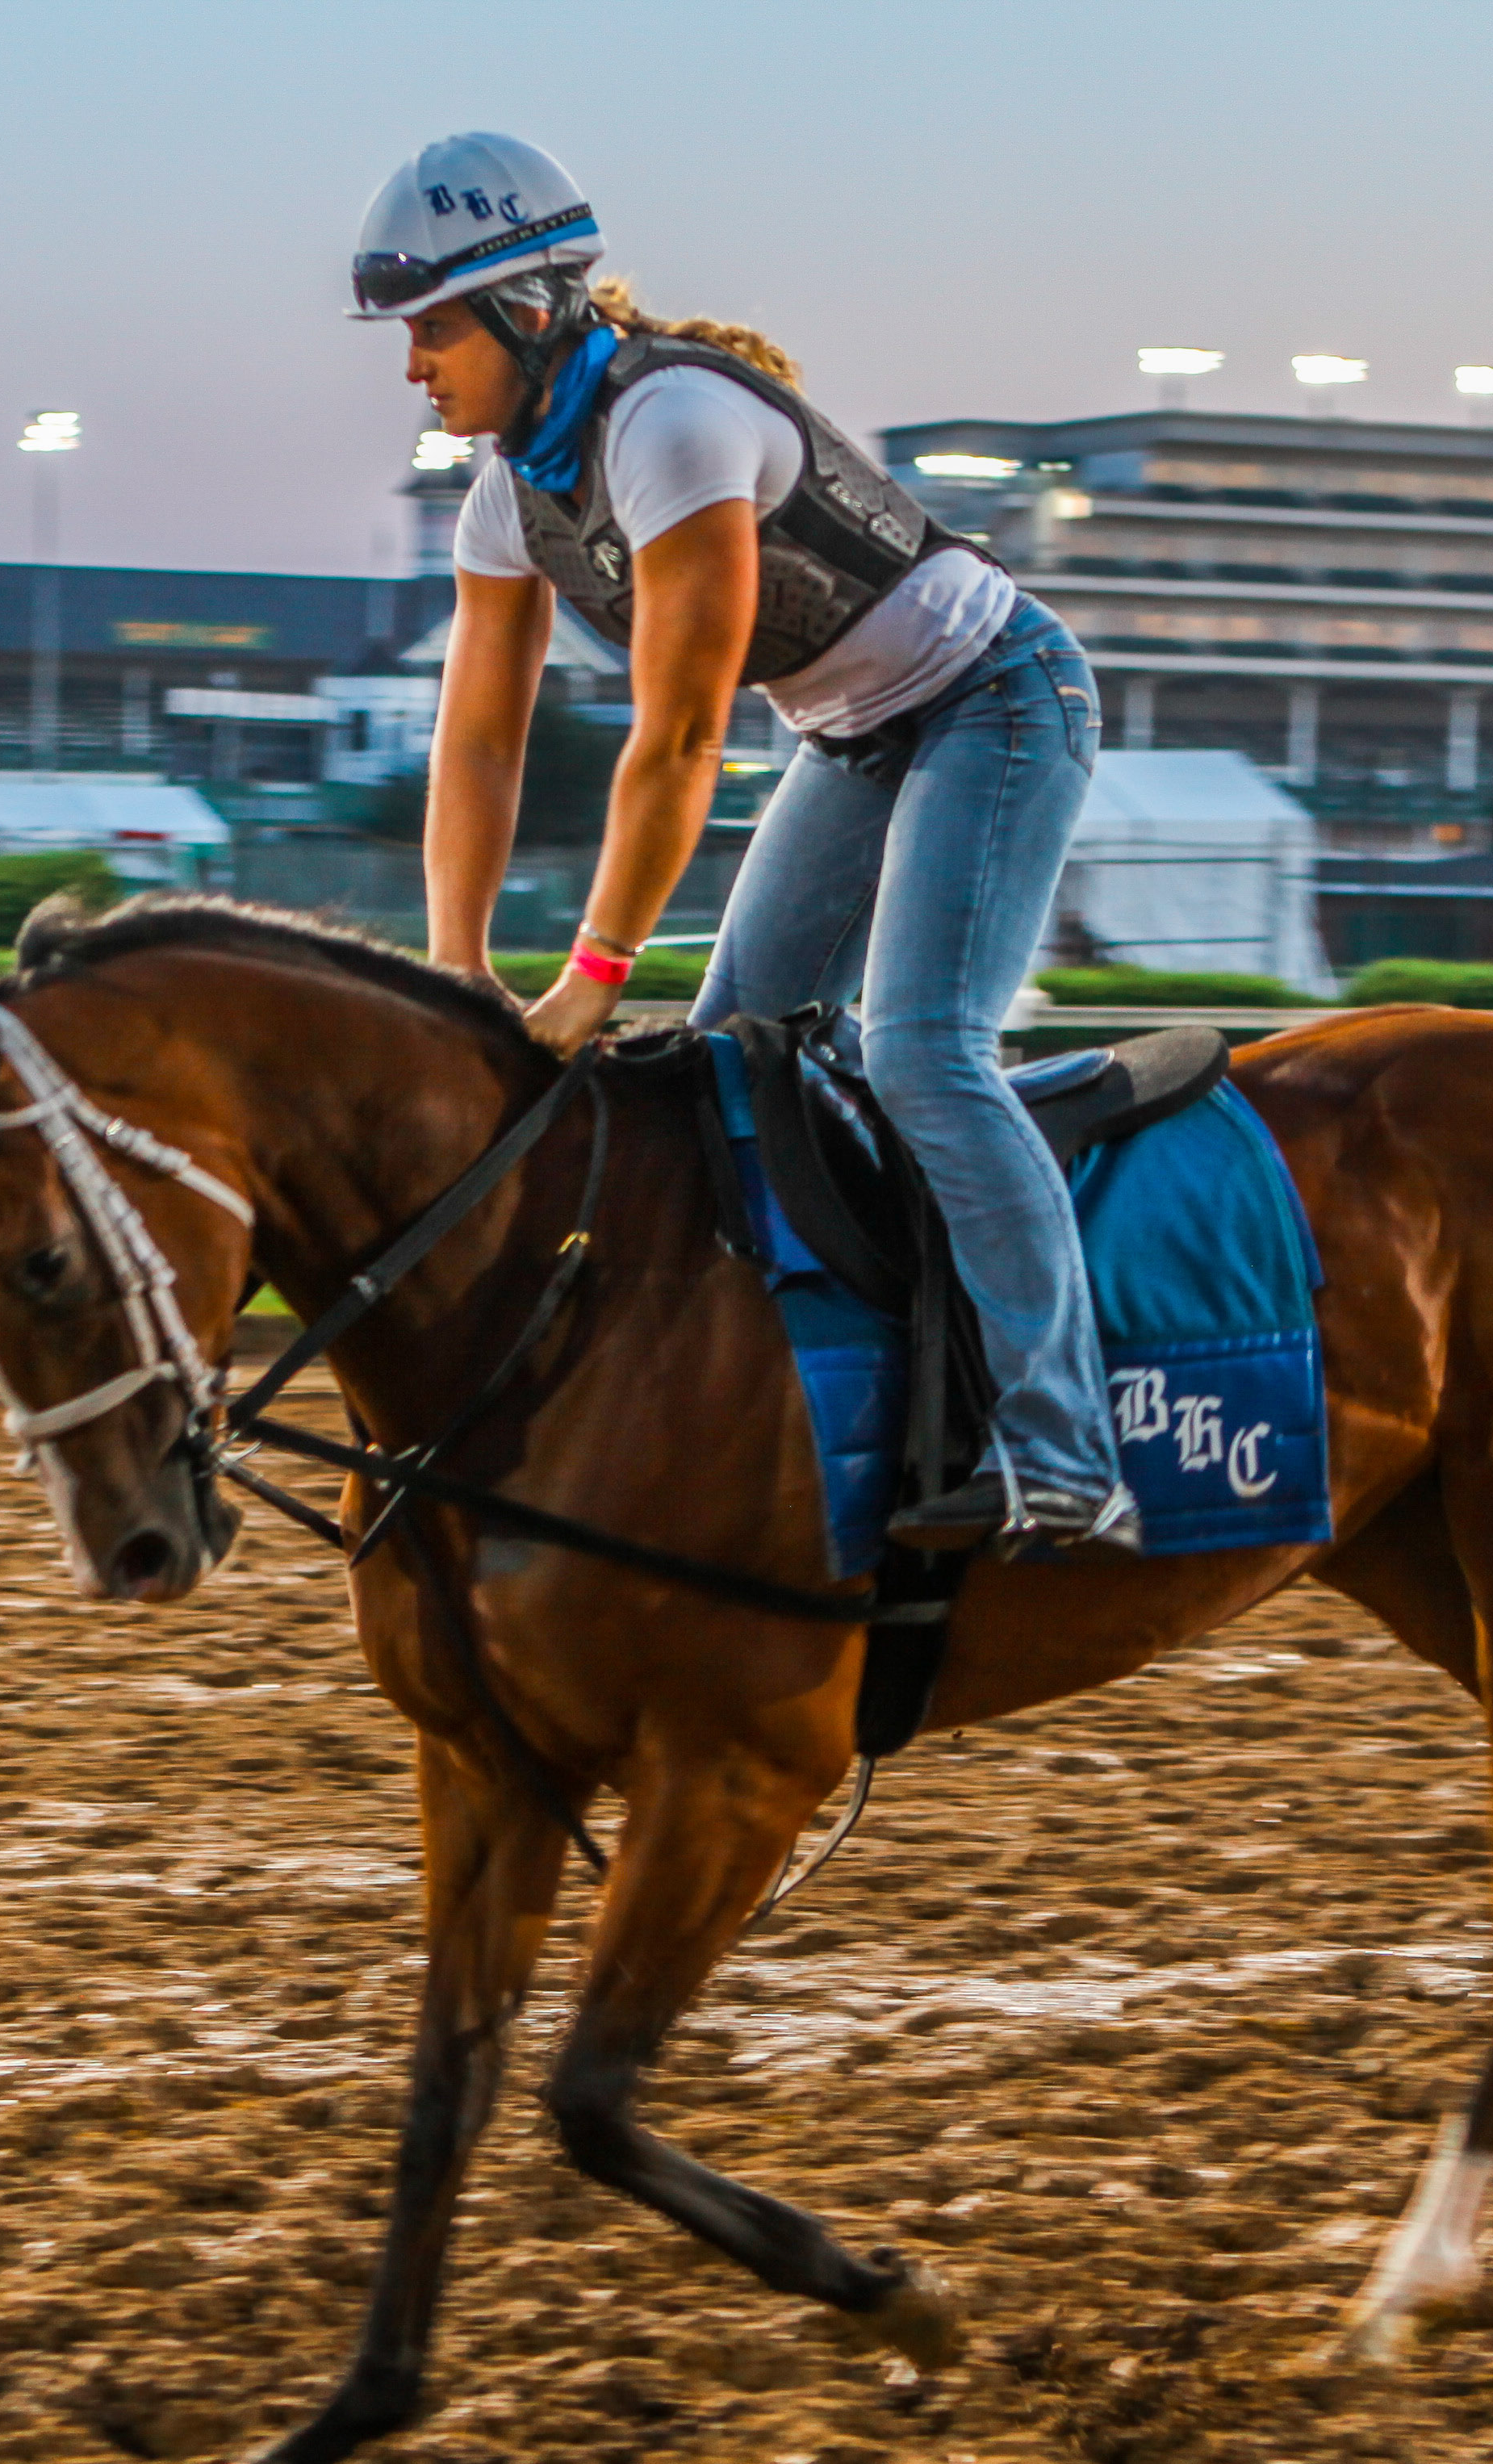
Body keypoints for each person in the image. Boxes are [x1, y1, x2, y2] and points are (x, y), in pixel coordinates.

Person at [355, 132, 1134, 1556]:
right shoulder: (501, 496)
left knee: (923, 1049)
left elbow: (678, 738)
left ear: (531, 309)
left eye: (434, 329)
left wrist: (595, 969)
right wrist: (455, 963)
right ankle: (861, 1386)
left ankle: (1068, 1450)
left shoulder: (673, 430)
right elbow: (478, 742)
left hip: (997, 700)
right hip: (853, 735)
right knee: (735, 1059)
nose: (414, 364)